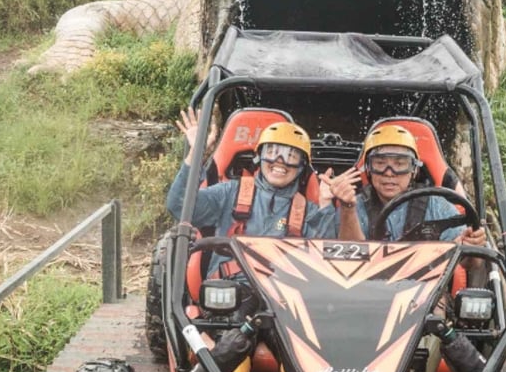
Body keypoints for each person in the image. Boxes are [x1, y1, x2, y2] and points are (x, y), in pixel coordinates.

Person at [167, 107, 361, 273]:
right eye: (272, 152)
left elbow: (328, 262)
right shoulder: (229, 193)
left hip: (284, 296)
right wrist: (197, 151)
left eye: (290, 156)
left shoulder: (309, 211)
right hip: (229, 293)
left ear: (302, 166)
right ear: (259, 157)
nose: (280, 162)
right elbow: (179, 206)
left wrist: (326, 204)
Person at [351, 123, 486, 247]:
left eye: (400, 164)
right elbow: (342, 257)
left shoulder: (436, 205)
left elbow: (469, 261)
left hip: (433, 273)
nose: (389, 173)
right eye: (380, 163)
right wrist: (344, 208)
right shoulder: (352, 207)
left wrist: (472, 244)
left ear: (414, 170)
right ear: (368, 169)